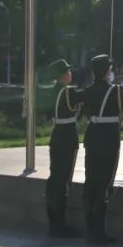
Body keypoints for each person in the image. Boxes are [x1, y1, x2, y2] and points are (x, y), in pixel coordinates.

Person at [80, 53, 123, 244]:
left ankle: (90, 229)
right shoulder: (116, 91)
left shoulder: (88, 91)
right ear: (106, 71)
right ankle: (98, 233)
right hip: (109, 140)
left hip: (92, 137)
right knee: (103, 184)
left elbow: (85, 111)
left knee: (90, 182)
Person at [44, 58, 82, 237]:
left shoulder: (53, 91)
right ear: (62, 75)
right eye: (68, 71)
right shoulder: (67, 92)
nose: (70, 73)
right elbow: (86, 99)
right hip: (67, 138)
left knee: (55, 178)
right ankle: (59, 225)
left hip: (57, 136)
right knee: (63, 181)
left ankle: (54, 222)